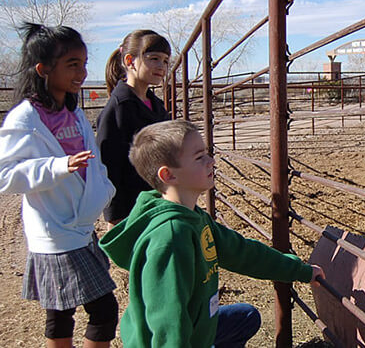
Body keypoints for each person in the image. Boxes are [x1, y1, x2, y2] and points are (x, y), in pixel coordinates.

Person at [99, 119, 325, 347]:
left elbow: (242, 252)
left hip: (197, 328)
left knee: (246, 317)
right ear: (168, 175)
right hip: (169, 340)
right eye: (199, 158)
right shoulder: (171, 239)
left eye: (207, 153)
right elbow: (168, 324)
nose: (211, 161)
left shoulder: (194, 217)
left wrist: (300, 270)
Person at [0, 23, 118, 348]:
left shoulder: (74, 111)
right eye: (72, 65)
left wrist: (102, 187)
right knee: (103, 310)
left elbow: (91, 160)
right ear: (43, 69)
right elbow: (4, 174)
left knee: (63, 312)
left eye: (83, 63)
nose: (82, 72)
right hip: (54, 229)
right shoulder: (25, 118)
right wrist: (56, 166)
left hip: (80, 225)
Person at [96, 29, 171, 226]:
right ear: (130, 61)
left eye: (165, 61)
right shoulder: (118, 108)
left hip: (157, 199)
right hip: (131, 208)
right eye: (153, 58)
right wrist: (115, 214)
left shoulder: (157, 105)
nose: (161, 66)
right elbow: (108, 163)